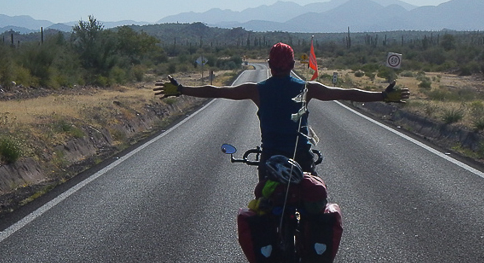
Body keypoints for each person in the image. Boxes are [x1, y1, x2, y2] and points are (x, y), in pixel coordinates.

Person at [155, 42, 409, 178]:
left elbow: (217, 91)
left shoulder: (257, 90)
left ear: (268, 64)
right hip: (302, 156)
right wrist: (382, 96)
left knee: (261, 203)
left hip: (271, 159)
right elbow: (347, 94)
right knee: (316, 200)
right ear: (292, 64)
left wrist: (182, 89)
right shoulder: (308, 88)